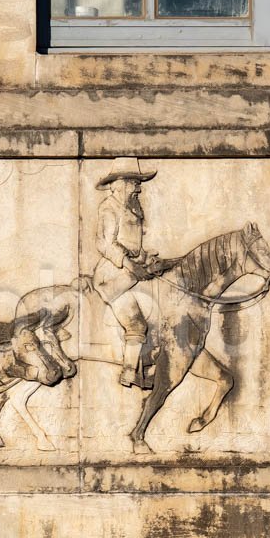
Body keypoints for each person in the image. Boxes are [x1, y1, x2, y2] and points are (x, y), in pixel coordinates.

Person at [91, 159, 161, 389]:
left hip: (131, 274)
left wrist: (147, 259)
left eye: (138, 183)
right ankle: (130, 374)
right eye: (134, 182)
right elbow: (104, 243)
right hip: (112, 277)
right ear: (119, 184)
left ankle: (149, 367)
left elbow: (134, 246)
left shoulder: (132, 207)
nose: (138, 188)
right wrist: (131, 265)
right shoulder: (109, 207)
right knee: (137, 325)